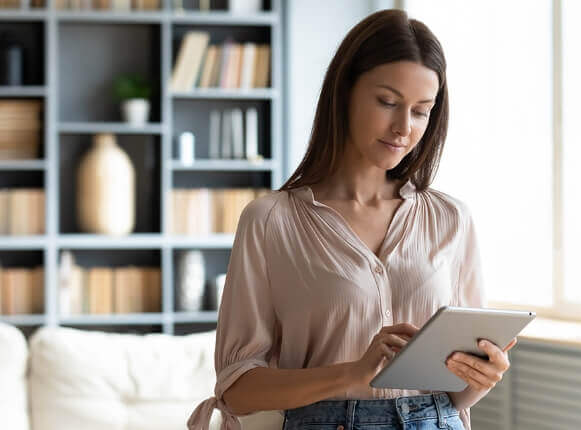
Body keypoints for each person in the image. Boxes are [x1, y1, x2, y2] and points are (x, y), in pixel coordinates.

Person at [188, 9, 516, 430]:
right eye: (387, 102)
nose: (403, 128)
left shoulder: (451, 219)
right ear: (345, 92)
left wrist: (481, 378)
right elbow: (236, 387)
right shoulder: (271, 221)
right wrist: (350, 374)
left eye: (421, 111)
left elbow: (457, 394)